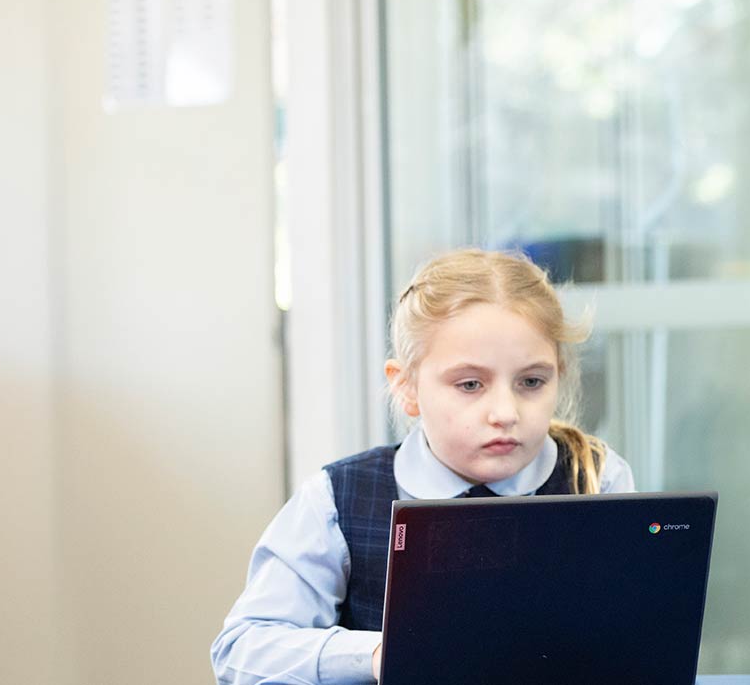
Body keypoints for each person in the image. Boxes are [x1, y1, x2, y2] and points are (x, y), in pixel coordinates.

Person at [210, 249, 635, 685]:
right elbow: (241, 650)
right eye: (470, 384)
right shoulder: (337, 500)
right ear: (407, 387)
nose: (506, 411)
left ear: (558, 376)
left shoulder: (599, 480)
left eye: (531, 381)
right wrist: (377, 654)